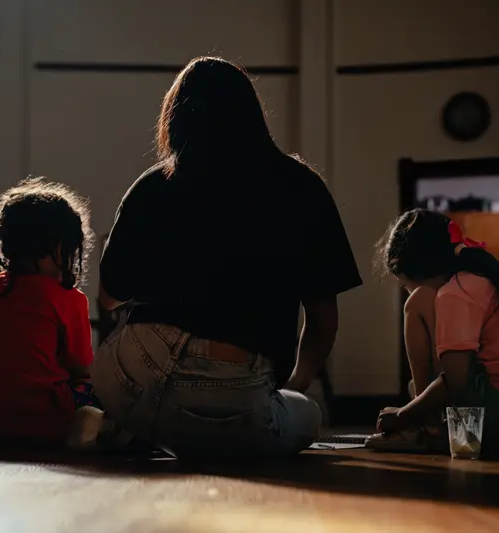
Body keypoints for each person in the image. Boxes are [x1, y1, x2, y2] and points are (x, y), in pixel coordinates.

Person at [92, 56, 362, 459]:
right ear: (253, 114)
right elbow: (324, 321)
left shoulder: (151, 186)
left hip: (129, 375)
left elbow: (110, 297)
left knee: (154, 404)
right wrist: (295, 384)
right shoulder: (300, 187)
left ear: (174, 118)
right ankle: (191, 429)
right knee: (307, 416)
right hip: (234, 386)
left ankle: (129, 424)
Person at [368, 209, 499, 459]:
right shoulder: (482, 278)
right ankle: (432, 424)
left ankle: (429, 427)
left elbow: (455, 379)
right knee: (425, 385)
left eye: (404, 284)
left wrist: (404, 415)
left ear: (415, 270)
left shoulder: (454, 292)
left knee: (418, 302)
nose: (406, 290)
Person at [0, 177, 104, 452]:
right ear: (58, 245)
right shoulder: (67, 299)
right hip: (46, 431)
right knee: (102, 392)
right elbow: (81, 370)